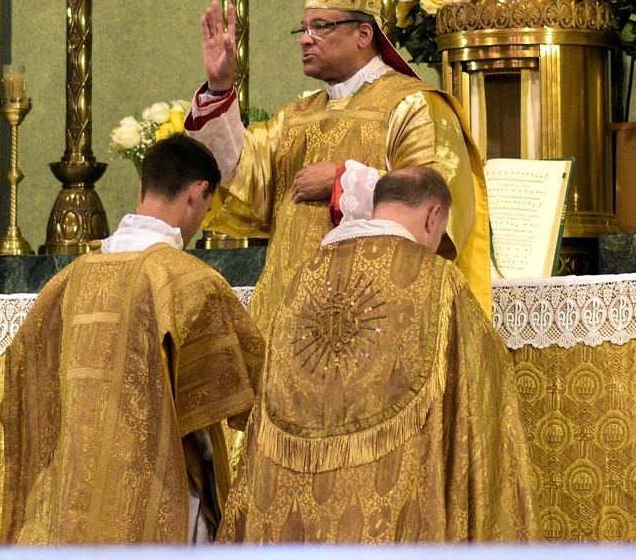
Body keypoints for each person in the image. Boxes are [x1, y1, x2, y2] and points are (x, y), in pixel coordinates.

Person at [187, 0, 492, 328]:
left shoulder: (414, 106)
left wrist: (343, 181)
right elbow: (244, 185)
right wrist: (219, 87)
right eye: (304, 27)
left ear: (364, 34)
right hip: (288, 322)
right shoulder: (295, 117)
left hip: (372, 323)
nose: (305, 38)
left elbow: (440, 211)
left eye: (321, 26)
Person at [220, 167, 538, 542]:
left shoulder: (301, 277)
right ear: (433, 216)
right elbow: (483, 385)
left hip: (295, 507)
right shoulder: (438, 279)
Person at [0, 134, 265, 545]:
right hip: (158, 498)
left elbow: (21, 377)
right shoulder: (190, 282)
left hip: (75, 501)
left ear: (143, 189)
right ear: (198, 194)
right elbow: (255, 387)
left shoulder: (67, 281)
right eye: (208, 210)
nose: (200, 224)